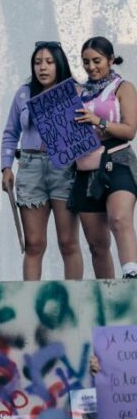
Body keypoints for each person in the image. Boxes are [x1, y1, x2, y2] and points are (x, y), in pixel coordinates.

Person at [0, 42, 82, 280]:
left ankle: (74, 306)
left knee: (68, 242)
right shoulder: (24, 93)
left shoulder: (75, 90)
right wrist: (6, 167)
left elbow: (87, 128)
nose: (42, 68)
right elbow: (10, 133)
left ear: (59, 64)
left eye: (49, 62)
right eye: (37, 63)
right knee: (34, 244)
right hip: (30, 166)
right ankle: (30, 304)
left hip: (64, 167)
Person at [70, 36, 137, 278]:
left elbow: (130, 130)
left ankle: (131, 276)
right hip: (86, 167)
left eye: (97, 61)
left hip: (117, 160)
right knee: (97, 244)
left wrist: (99, 121)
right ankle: (108, 298)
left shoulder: (123, 87)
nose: (91, 67)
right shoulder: (78, 92)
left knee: (119, 218)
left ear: (110, 59)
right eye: (86, 62)